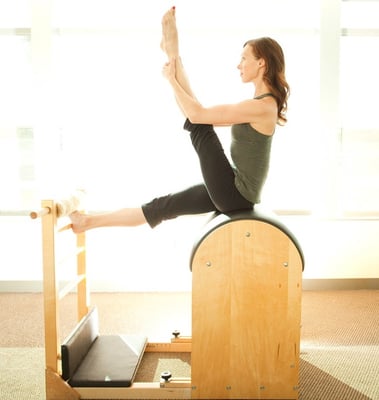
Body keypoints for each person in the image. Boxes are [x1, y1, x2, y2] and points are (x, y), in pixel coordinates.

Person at [69, 6, 289, 233]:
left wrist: (171, 80)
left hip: (236, 193)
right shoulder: (259, 105)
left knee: (200, 126)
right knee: (162, 206)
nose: (238, 64)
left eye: (244, 58)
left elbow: (196, 115)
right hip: (233, 188)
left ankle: (173, 54)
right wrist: (173, 73)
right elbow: (196, 113)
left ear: (261, 62)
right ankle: (87, 223)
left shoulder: (262, 106)